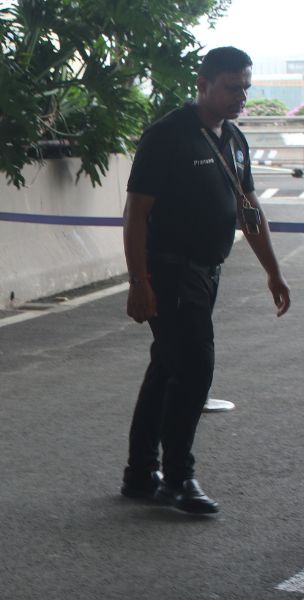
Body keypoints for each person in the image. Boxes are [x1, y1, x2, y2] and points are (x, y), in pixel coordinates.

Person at [120, 47, 290, 514]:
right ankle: (178, 478)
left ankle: (140, 473)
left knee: (167, 366)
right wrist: (139, 282)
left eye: (246, 88)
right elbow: (136, 214)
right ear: (203, 84)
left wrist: (273, 271)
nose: (242, 97)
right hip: (169, 271)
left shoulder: (233, 138)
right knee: (195, 369)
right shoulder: (167, 135)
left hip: (206, 272)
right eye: (232, 88)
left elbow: (248, 208)